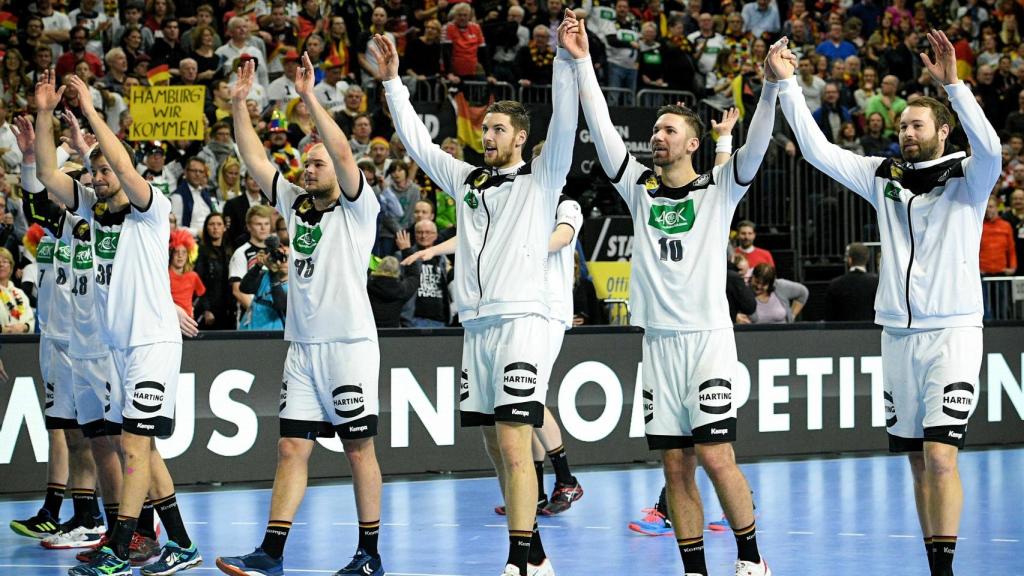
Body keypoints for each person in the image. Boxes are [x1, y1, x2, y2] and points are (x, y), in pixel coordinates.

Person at [773, 30, 1001, 576]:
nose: (906, 132)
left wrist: (955, 86)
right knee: (918, 460)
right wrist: (787, 86)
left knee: (942, 455)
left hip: (953, 334)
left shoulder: (970, 177)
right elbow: (818, 151)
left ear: (943, 131)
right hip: (897, 336)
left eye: (917, 125)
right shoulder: (883, 175)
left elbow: (992, 148)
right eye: (902, 126)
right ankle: (934, 563)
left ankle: (945, 571)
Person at [569, 13, 775, 576]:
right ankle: (694, 569)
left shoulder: (718, 189)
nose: (657, 137)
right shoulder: (639, 188)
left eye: (668, 131)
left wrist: (773, 87)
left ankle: (752, 561)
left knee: (715, 455)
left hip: (707, 343)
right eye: (655, 131)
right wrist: (583, 62)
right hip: (657, 346)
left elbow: (756, 147)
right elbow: (603, 128)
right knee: (675, 467)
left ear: (693, 144)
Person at [378, 9, 579, 572]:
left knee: (515, 440)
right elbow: (419, 145)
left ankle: (516, 561)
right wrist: (393, 83)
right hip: (477, 326)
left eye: (498, 130)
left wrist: (566, 60)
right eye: (484, 128)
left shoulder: (543, 180)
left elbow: (565, 122)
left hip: (522, 322)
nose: (487, 136)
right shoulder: (467, 180)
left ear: (521, 138)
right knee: (494, 444)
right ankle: (535, 557)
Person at [216, 54, 385, 576]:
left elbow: (342, 152)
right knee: (291, 447)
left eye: (317, 164)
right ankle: (271, 553)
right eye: (305, 165)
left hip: (349, 346)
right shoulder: (294, 204)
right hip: (302, 348)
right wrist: (240, 104)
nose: (307, 170)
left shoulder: (359, 208)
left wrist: (309, 97)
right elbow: (253, 158)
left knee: (358, 449)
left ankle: (369, 554)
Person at [35, 70, 202, 576]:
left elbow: (124, 166)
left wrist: (91, 112)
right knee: (142, 447)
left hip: (152, 344)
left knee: (133, 442)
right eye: (95, 172)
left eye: (105, 170)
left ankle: (122, 545)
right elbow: (47, 174)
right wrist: (44, 114)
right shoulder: (92, 211)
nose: (99, 177)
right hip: (116, 349)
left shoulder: (150, 209)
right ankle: (182, 545)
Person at [19, 118, 127, 555]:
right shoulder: (59, 226)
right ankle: (89, 519)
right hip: (65, 343)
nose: (80, 186)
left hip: (103, 344)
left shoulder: (108, 221)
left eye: (88, 179)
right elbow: (35, 199)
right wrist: (33, 156)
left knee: (116, 440)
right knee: (82, 436)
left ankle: (134, 523)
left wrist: (81, 151)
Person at [194, 213, 236, 330]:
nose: (215, 227)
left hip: (229, 309)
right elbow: (198, 283)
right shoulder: (201, 251)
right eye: (211, 224)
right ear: (206, 228)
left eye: (219, 224)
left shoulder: (230, 250)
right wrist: (206, 309)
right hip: (210, 310)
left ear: (224, 227)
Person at [825, 242, 879, 322]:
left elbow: (829, 317)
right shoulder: (876, 282)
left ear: (850, 260)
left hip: (843, 329)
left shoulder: (835, 284)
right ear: (867, 259)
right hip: (869, 328)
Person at [744, 263, 809, 324]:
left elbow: (803, 292)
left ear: (770, 283)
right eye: (757, 282)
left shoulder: (780, 286)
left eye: (764, 284)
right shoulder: (744, 291)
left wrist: (792, 316)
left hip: (783, 331)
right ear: (752, 277)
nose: (759, 286)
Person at [169, 229, 205, 318]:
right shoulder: (164, 275)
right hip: (169, 318)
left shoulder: (193, 276)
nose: (180, 256)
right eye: (176, 252)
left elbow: (201, 294)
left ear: (188, 255)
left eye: (184, 252)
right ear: (171, 254)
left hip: (188, 320)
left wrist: (193, 306)